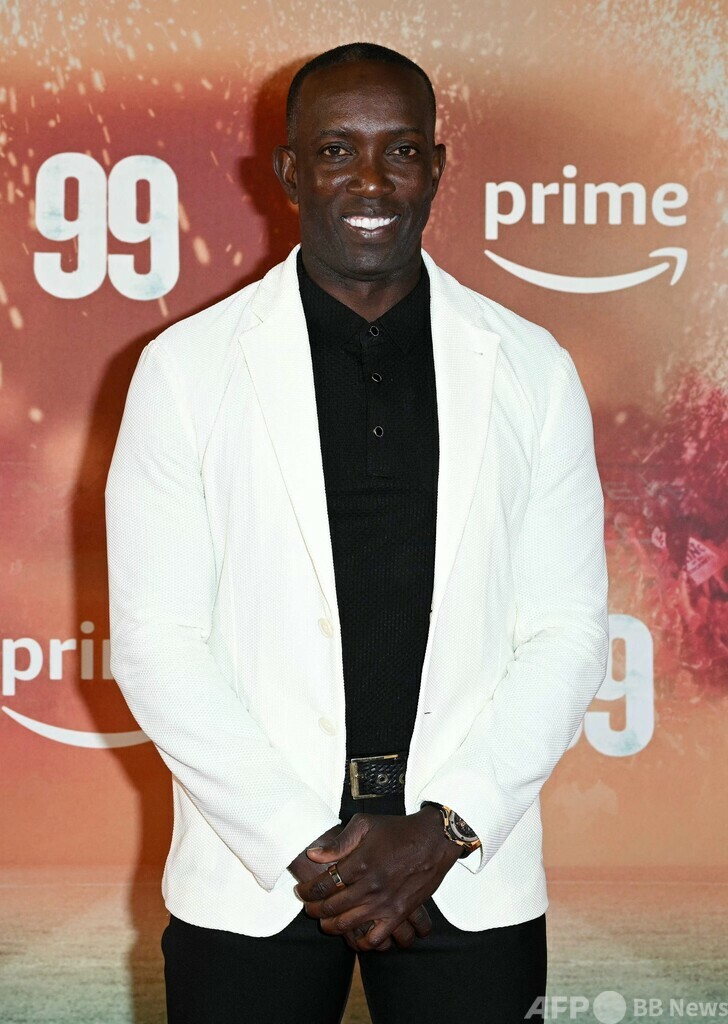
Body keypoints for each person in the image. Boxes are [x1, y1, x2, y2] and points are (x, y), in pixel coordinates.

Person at [105, 41, 609, 1024]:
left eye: (400, 151)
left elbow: (567, 632)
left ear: (436, 167)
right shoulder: (185, 370)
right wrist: (307, 844)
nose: (371, 181)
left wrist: (442, 830)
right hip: (254, 872)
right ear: (289, 171)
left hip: (464, 870)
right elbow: (158, 643)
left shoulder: (532, 369)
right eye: (336, 150)